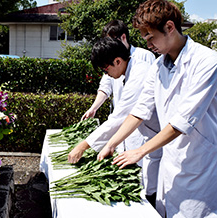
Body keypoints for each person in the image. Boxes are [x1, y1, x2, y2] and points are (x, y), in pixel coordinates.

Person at [98, 0, 217, 217]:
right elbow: (140, 110)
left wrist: (140, 151)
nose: (148, 43)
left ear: (170, 28)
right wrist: (112, 143)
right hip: (170, 160)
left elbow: (183, 121)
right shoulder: (157, 66)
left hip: (200, 161)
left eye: (150, 37)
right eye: (144, 38)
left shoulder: (207, 62)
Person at [68, 36, 161, 206]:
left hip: (158, 141)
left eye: (105, 70)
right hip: (149, 137)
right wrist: (108, 144)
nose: (107, 75)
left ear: (117, 61)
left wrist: (83, 145)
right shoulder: (130, 70)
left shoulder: (140, 73)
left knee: (153, 195)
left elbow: (120, 117)